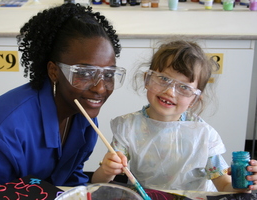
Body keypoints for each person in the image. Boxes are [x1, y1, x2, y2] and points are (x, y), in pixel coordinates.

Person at [0, 3, 126, 186]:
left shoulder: (83, 117)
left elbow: (70, 178)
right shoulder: (0, 135)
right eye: (84, 73)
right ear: (54, 71)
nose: (100, 88)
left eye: (109, 74)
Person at [92, 40, 257, 192]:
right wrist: (107, 170)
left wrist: (244, 184)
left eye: (184, 87)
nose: (169, 92)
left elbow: (224, 185)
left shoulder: (203, 136)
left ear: (194, 99)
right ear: (147, 79)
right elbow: (97, 182)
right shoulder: (128, 127)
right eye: (163, 79)